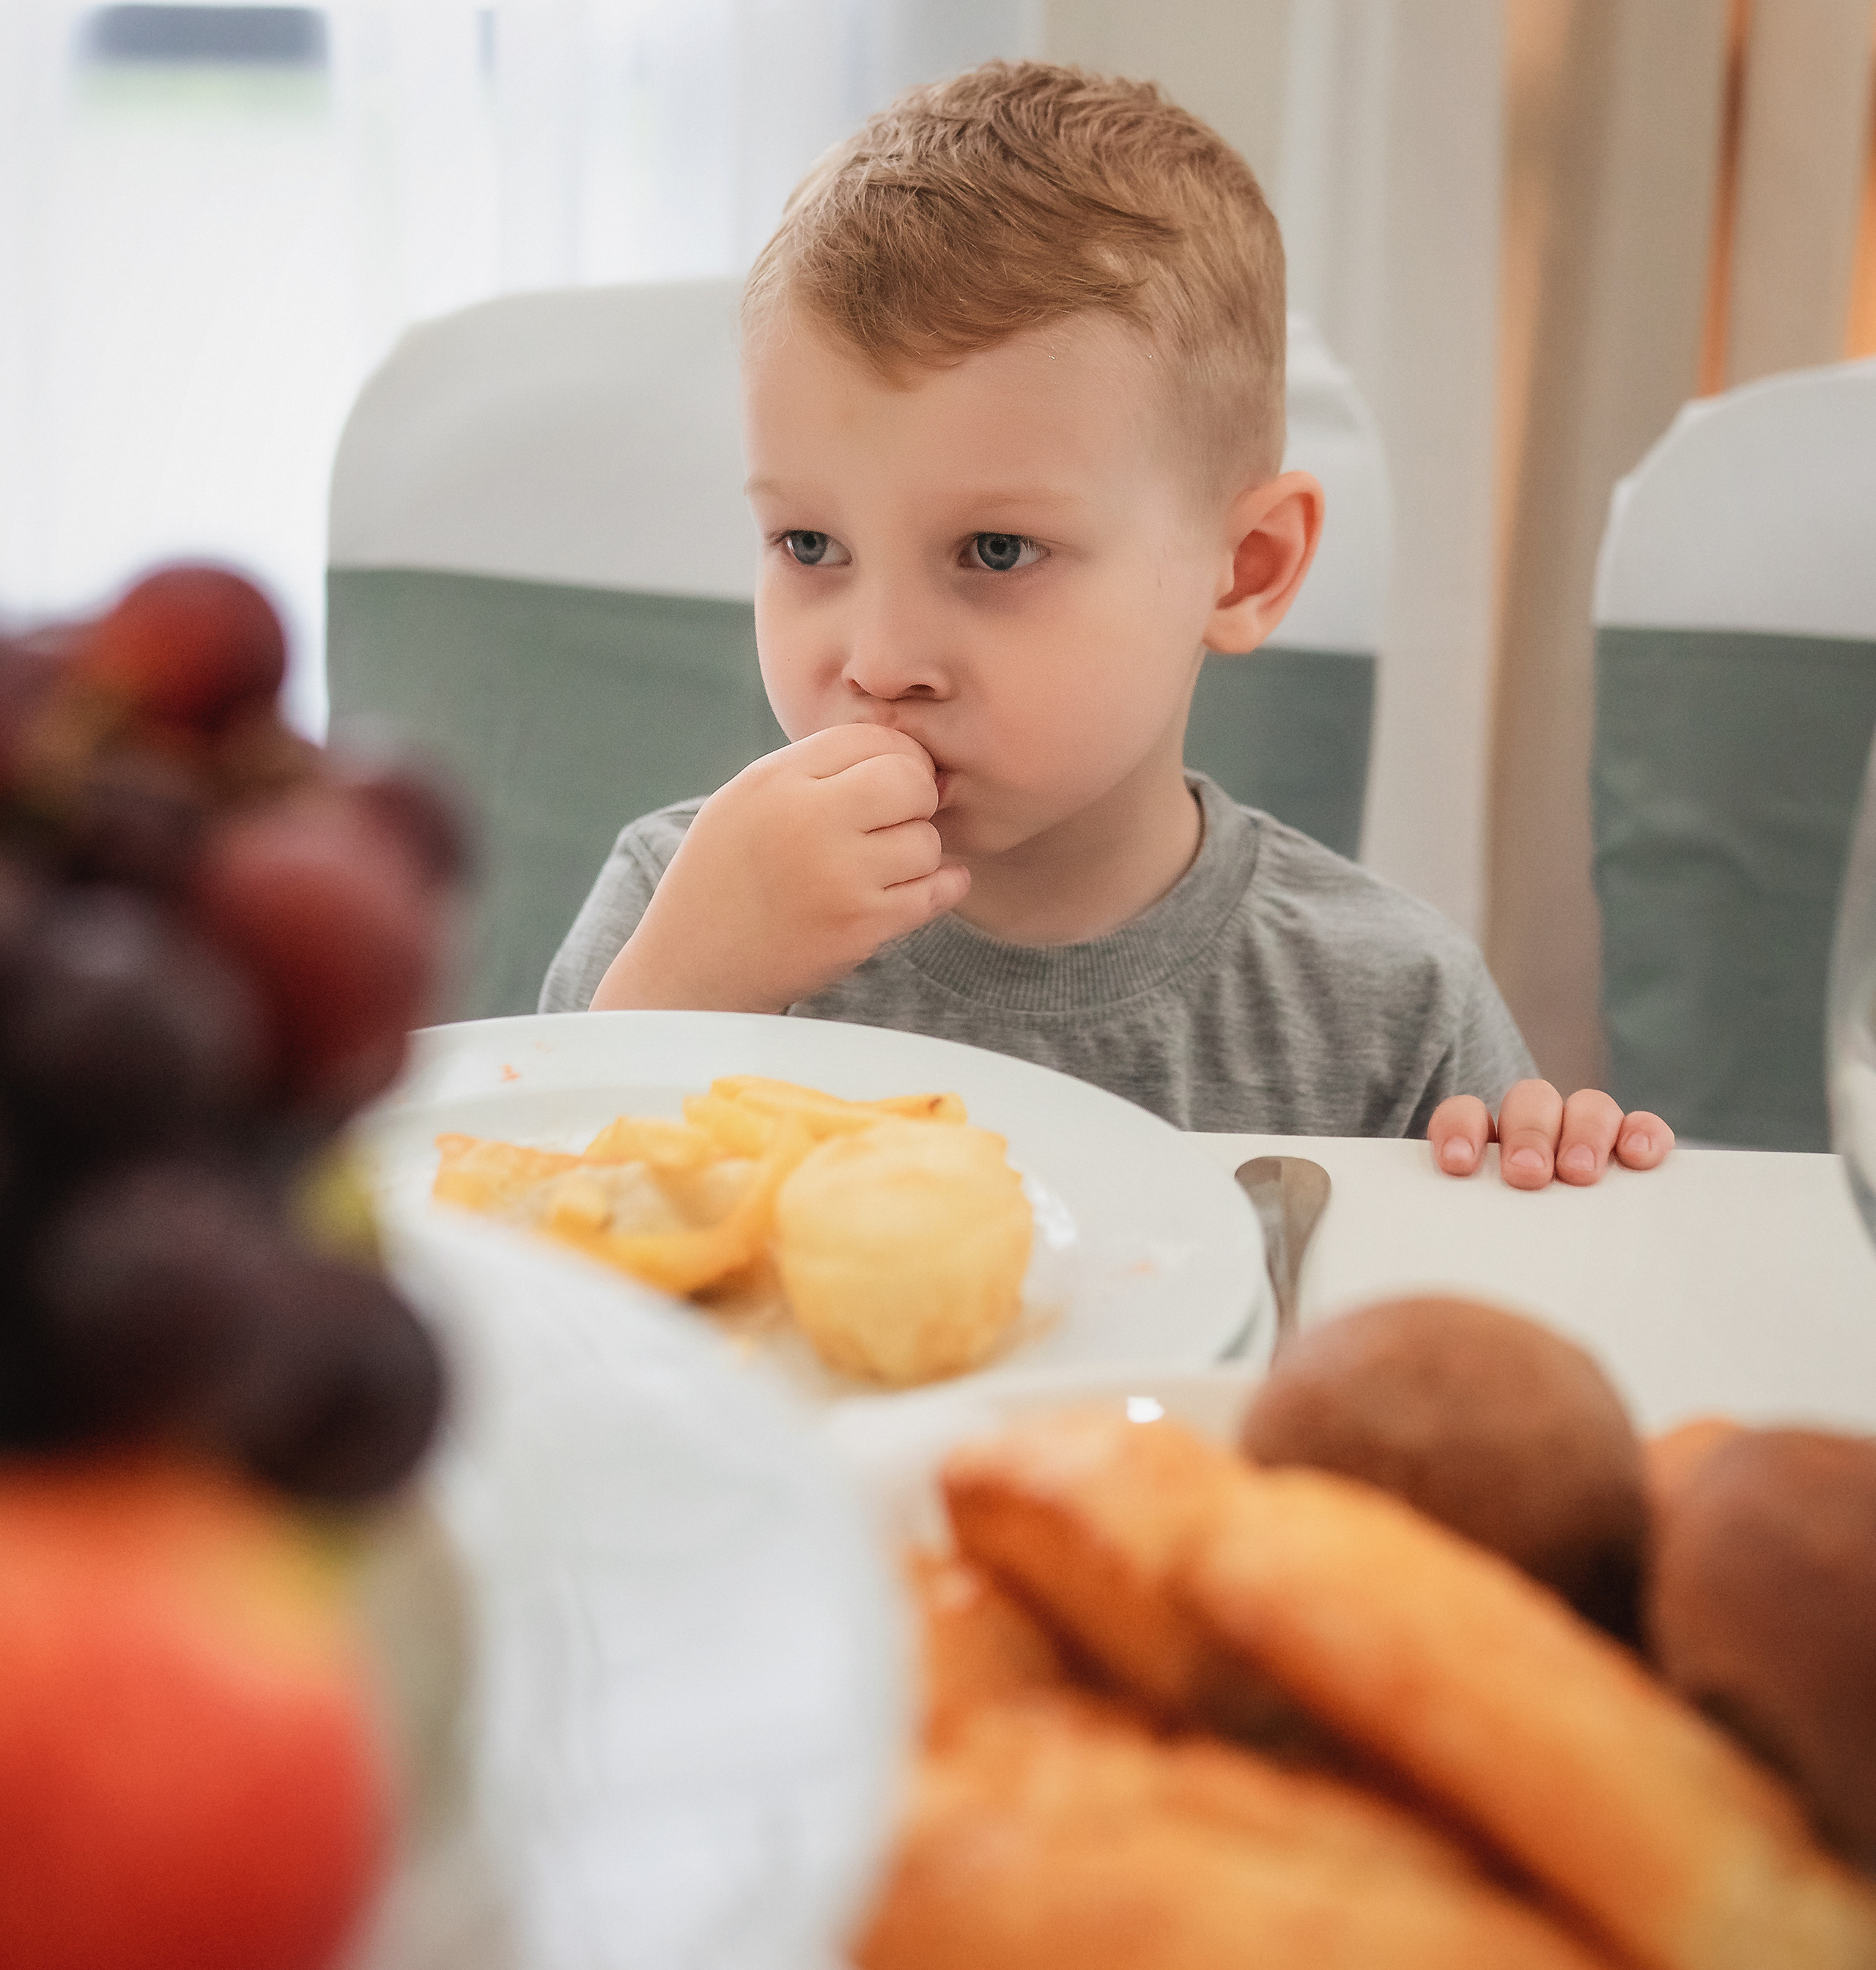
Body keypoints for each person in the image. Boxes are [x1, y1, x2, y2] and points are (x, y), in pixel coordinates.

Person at [542, 63, 1670, 1190]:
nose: (879, 663)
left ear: (1246, 571)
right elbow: (525, 1280)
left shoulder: (1395, 1004)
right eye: (809, 547)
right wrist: (686, 992)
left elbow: (1469, 1343)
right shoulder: (680, 905)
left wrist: (1539, 1179)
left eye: (996, 553)